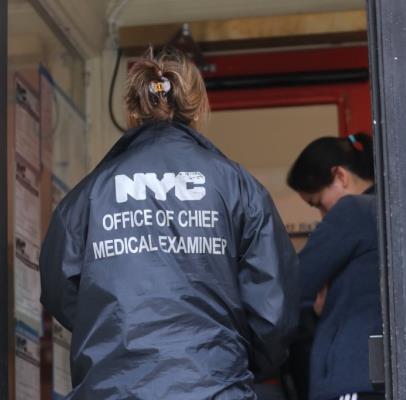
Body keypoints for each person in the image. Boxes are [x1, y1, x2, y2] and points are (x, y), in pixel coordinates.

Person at [39, 49, 299, 400]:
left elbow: (59, 289)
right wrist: (229, 361)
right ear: (198, 107)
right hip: (214, 388)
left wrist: (111, 334)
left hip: (113, 389)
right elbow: (273, 307)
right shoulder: (237, 186)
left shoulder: (90, 194)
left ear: (133, 110)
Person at [287, 133, 384, 400]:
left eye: (318, 203)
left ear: (340, 176)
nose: (322, 216)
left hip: (351, 375)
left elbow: (292, 284)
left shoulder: (353, 210)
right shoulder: (390, 210)